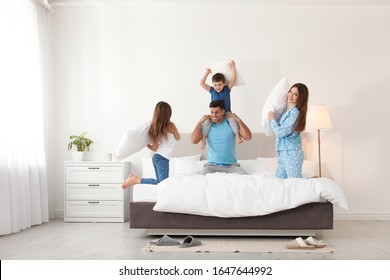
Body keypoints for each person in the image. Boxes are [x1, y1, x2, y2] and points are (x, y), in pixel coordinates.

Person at [122, 101, 180, 189]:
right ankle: (136, 180)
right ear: (169, 113)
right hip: (163, 158)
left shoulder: (155, 129)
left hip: (157, 158)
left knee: (161, 184)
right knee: (163, 183)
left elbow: (155, 148)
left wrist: (146, 144)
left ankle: (136, 180)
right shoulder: (171, 125)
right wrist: (175, 129)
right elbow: (178, 137)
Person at [191, 100, 252, 175]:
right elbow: (193, 140)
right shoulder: (207, 126)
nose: (213, 115)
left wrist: (238, 120)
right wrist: (199, 122)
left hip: (231, 166)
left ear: (223, 112)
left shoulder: (231, 124)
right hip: (211, 166)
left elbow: (248, 137)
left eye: (216, 112)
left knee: (245, 177)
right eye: (212, 112)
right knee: (201, 178)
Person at [267, 83, 309, 179]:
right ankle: (313, 179)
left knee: (295, 182)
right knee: (279, 181)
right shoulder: (286, 112)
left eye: (295, 94)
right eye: (290, 91)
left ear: (301, 98)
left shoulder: (295, 113)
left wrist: (272, 119)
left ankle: (316, 181)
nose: (291, 95)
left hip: (291, 152)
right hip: (282, 151)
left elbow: (280, 133)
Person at [199, 60, 242, 149]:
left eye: (219, 85)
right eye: (215, 85)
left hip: (226, 112)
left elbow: (233, 79)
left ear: (223, 84)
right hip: (214, 113)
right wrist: (207, 72)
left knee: (232, 120)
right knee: (206, 122)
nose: (217, 87)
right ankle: (203, 140)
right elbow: (201, 83)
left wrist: (233, 67)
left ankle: (237, 136)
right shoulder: (212, 90)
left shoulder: (227, 89)